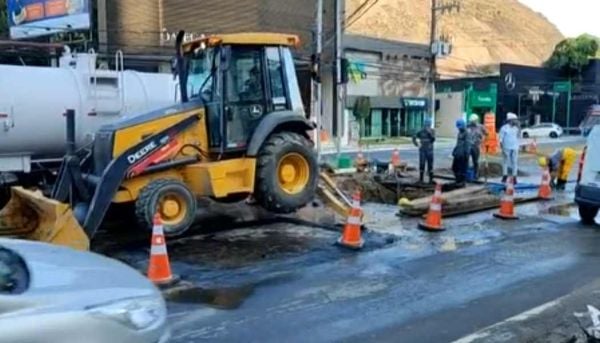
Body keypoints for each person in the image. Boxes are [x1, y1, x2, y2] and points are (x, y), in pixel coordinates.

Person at [499, 112, 521, 184]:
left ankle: (514, 177)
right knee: (505, 162)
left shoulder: (516, 128)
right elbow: (501, 139)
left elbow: (518, 137)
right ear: (510, 120)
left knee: (514, 162)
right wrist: (502, 147)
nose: (516, 121)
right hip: (506, 147)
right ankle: (505, 175)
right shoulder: (504, 128)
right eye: (514, 120)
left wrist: (519, 127)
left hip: (515, 147)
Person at [412, 118, 436, 184]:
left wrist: (429, 132)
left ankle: (431, 180)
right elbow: (414, 137)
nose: (427, 125)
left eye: (428, 124)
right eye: (427, 124)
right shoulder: (421, 130)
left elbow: (433, 139)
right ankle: (421, 179)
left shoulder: (432, 130)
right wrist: (416, 144)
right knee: (422, 164)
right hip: (422, 150)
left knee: (430, 165)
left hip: (430, 150)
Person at [467, 114, 488, 179]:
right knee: (466, 160)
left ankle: (476, 174)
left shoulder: (481, 127)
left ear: (476, 120)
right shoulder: (467, 126)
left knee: (475, 161)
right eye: (471, 121)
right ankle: (466, 173)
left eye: (473, 121)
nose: (471, 122)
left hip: (476, 146)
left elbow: (487, 134)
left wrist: (482, 139)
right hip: (468, 145)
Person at [452, 118, 470, 186]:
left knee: (462, 168)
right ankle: (457, 180)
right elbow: (458, 143)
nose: (458, 128)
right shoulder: (459, 132)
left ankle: (462, 182)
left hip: (463, 154)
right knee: (455, 168)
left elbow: (468, 145)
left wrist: (467, 154)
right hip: (458, 154)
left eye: (460, 127)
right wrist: (454, 151)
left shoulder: (467, 133)